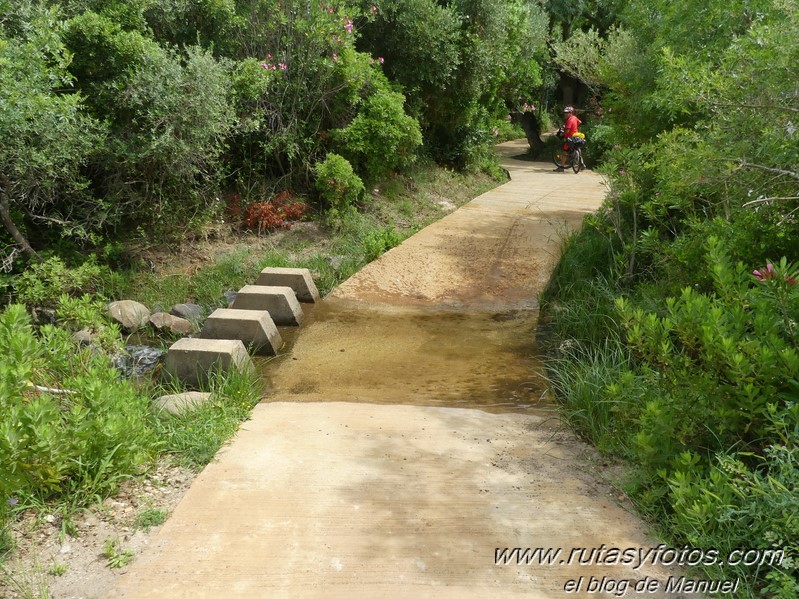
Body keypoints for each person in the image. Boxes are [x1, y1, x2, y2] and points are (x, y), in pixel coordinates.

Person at [555, 106, 582, 171]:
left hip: (570, 138)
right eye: (565, 113)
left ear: (571, 113)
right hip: (576, 136)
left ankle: (561, 167)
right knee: (576, 149)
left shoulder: (569, 120)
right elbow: (580, 122)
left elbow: (567, 131)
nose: (565, 114)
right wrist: (575, 127)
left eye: (567, 113)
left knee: (564, 152)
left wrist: (561, 134)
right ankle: (581, 163)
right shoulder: (574, 118)